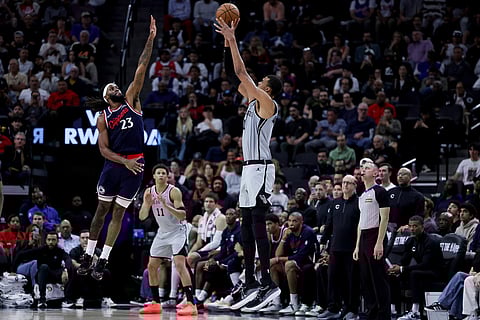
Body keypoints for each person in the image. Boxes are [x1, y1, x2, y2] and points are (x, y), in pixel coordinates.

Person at [77, 16, 157, 281]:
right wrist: (124, 162)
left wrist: (150, 39)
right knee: (101, 211)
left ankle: (103, 259)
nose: (117, 87)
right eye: (112, 87)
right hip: (116, 165)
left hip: (135, 164)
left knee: (119, 213)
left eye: (117, 85)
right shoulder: (104, 118)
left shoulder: (132, 100)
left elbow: (142, 66)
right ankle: (88, 253)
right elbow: (103, 151)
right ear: (106, 96)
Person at [215, 17, 282, 311]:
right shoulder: (253, 102)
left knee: (256, 222)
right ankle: (250, 280)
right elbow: (236, 75)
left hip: (261, 167)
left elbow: (242, 72)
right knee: (245, 225)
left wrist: (232, 38)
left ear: (269, 88)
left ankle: (267, 280)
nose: (260, 80)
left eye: (263, 80)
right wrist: (227, 44)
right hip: (249, 168)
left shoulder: (268, 104)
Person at [138, 164, 197, 315]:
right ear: (154, 176)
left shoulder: (174, 191)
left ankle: (191, 303)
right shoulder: (149, 192)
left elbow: (183, 215)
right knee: (152, 265)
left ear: (167, 176)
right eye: (158, 173)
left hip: (177, 231)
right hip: (163, 232)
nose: (162, 175)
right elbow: (142, 217)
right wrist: (147, 204)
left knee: (179, 263)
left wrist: (166, 206)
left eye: (164, 173)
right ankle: (156, 303)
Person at [353, 158, 391, 320]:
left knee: (378, 278)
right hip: (363, 238)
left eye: (367, 168)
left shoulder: (380, 191)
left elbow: (385, 219)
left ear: (375, 173)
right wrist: (356, 246)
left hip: (375, 235)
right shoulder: (362, 195)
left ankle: (384, 314)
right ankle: (372, 311)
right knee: (365, 278)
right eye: (362, 167)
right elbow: (361, 222)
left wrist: (379, 243)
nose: (363, 169)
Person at [319, 175, 360, 320]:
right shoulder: (335, 203)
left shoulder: (359, 203)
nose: (345, 185)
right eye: (344, 183)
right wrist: (323, 241)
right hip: (335, 248)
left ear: (355, 185)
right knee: (333, 278)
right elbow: (329, 225)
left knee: (351, 280)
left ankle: (352, 309)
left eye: (349, 183)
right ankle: (333, 307)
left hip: (352, 249)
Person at [388, 216, 443, 319]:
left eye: (415, 226)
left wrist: (402, 269)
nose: (412, 229)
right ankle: (393, 310)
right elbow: (404, 260)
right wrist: (398, 267)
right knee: (393, 275)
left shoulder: (431, 242)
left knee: (414, 274)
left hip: (434, 272)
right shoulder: (410, 241)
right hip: (420, 270)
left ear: (422, 227)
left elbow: (425, 264)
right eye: (410, 226)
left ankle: (415, 312)